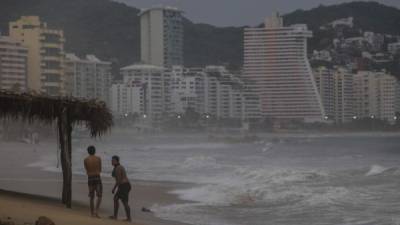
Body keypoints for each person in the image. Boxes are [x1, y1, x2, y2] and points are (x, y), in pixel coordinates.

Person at [110, 155, 132, 222]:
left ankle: (128, 218)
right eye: (111, 160)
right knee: (116, 199)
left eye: (113, 160)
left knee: (124, 202)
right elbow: (115, 177)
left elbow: (118, 180)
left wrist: (114, 188)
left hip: (124, 185)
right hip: (125, 185)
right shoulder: (116, 167)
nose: (111, 161)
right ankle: (115, 216)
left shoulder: (118, 168)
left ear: (116, 161)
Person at [84, 146, 102, 218]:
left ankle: (92, 213)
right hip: (97, 177)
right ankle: (96, 211)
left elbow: (86, 169)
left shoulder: (85, 159)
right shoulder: (98, 158)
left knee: (91, 196)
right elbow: (100, 169)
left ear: (88, 152)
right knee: (99, 195)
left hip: (90, 178)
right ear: (95, 151)